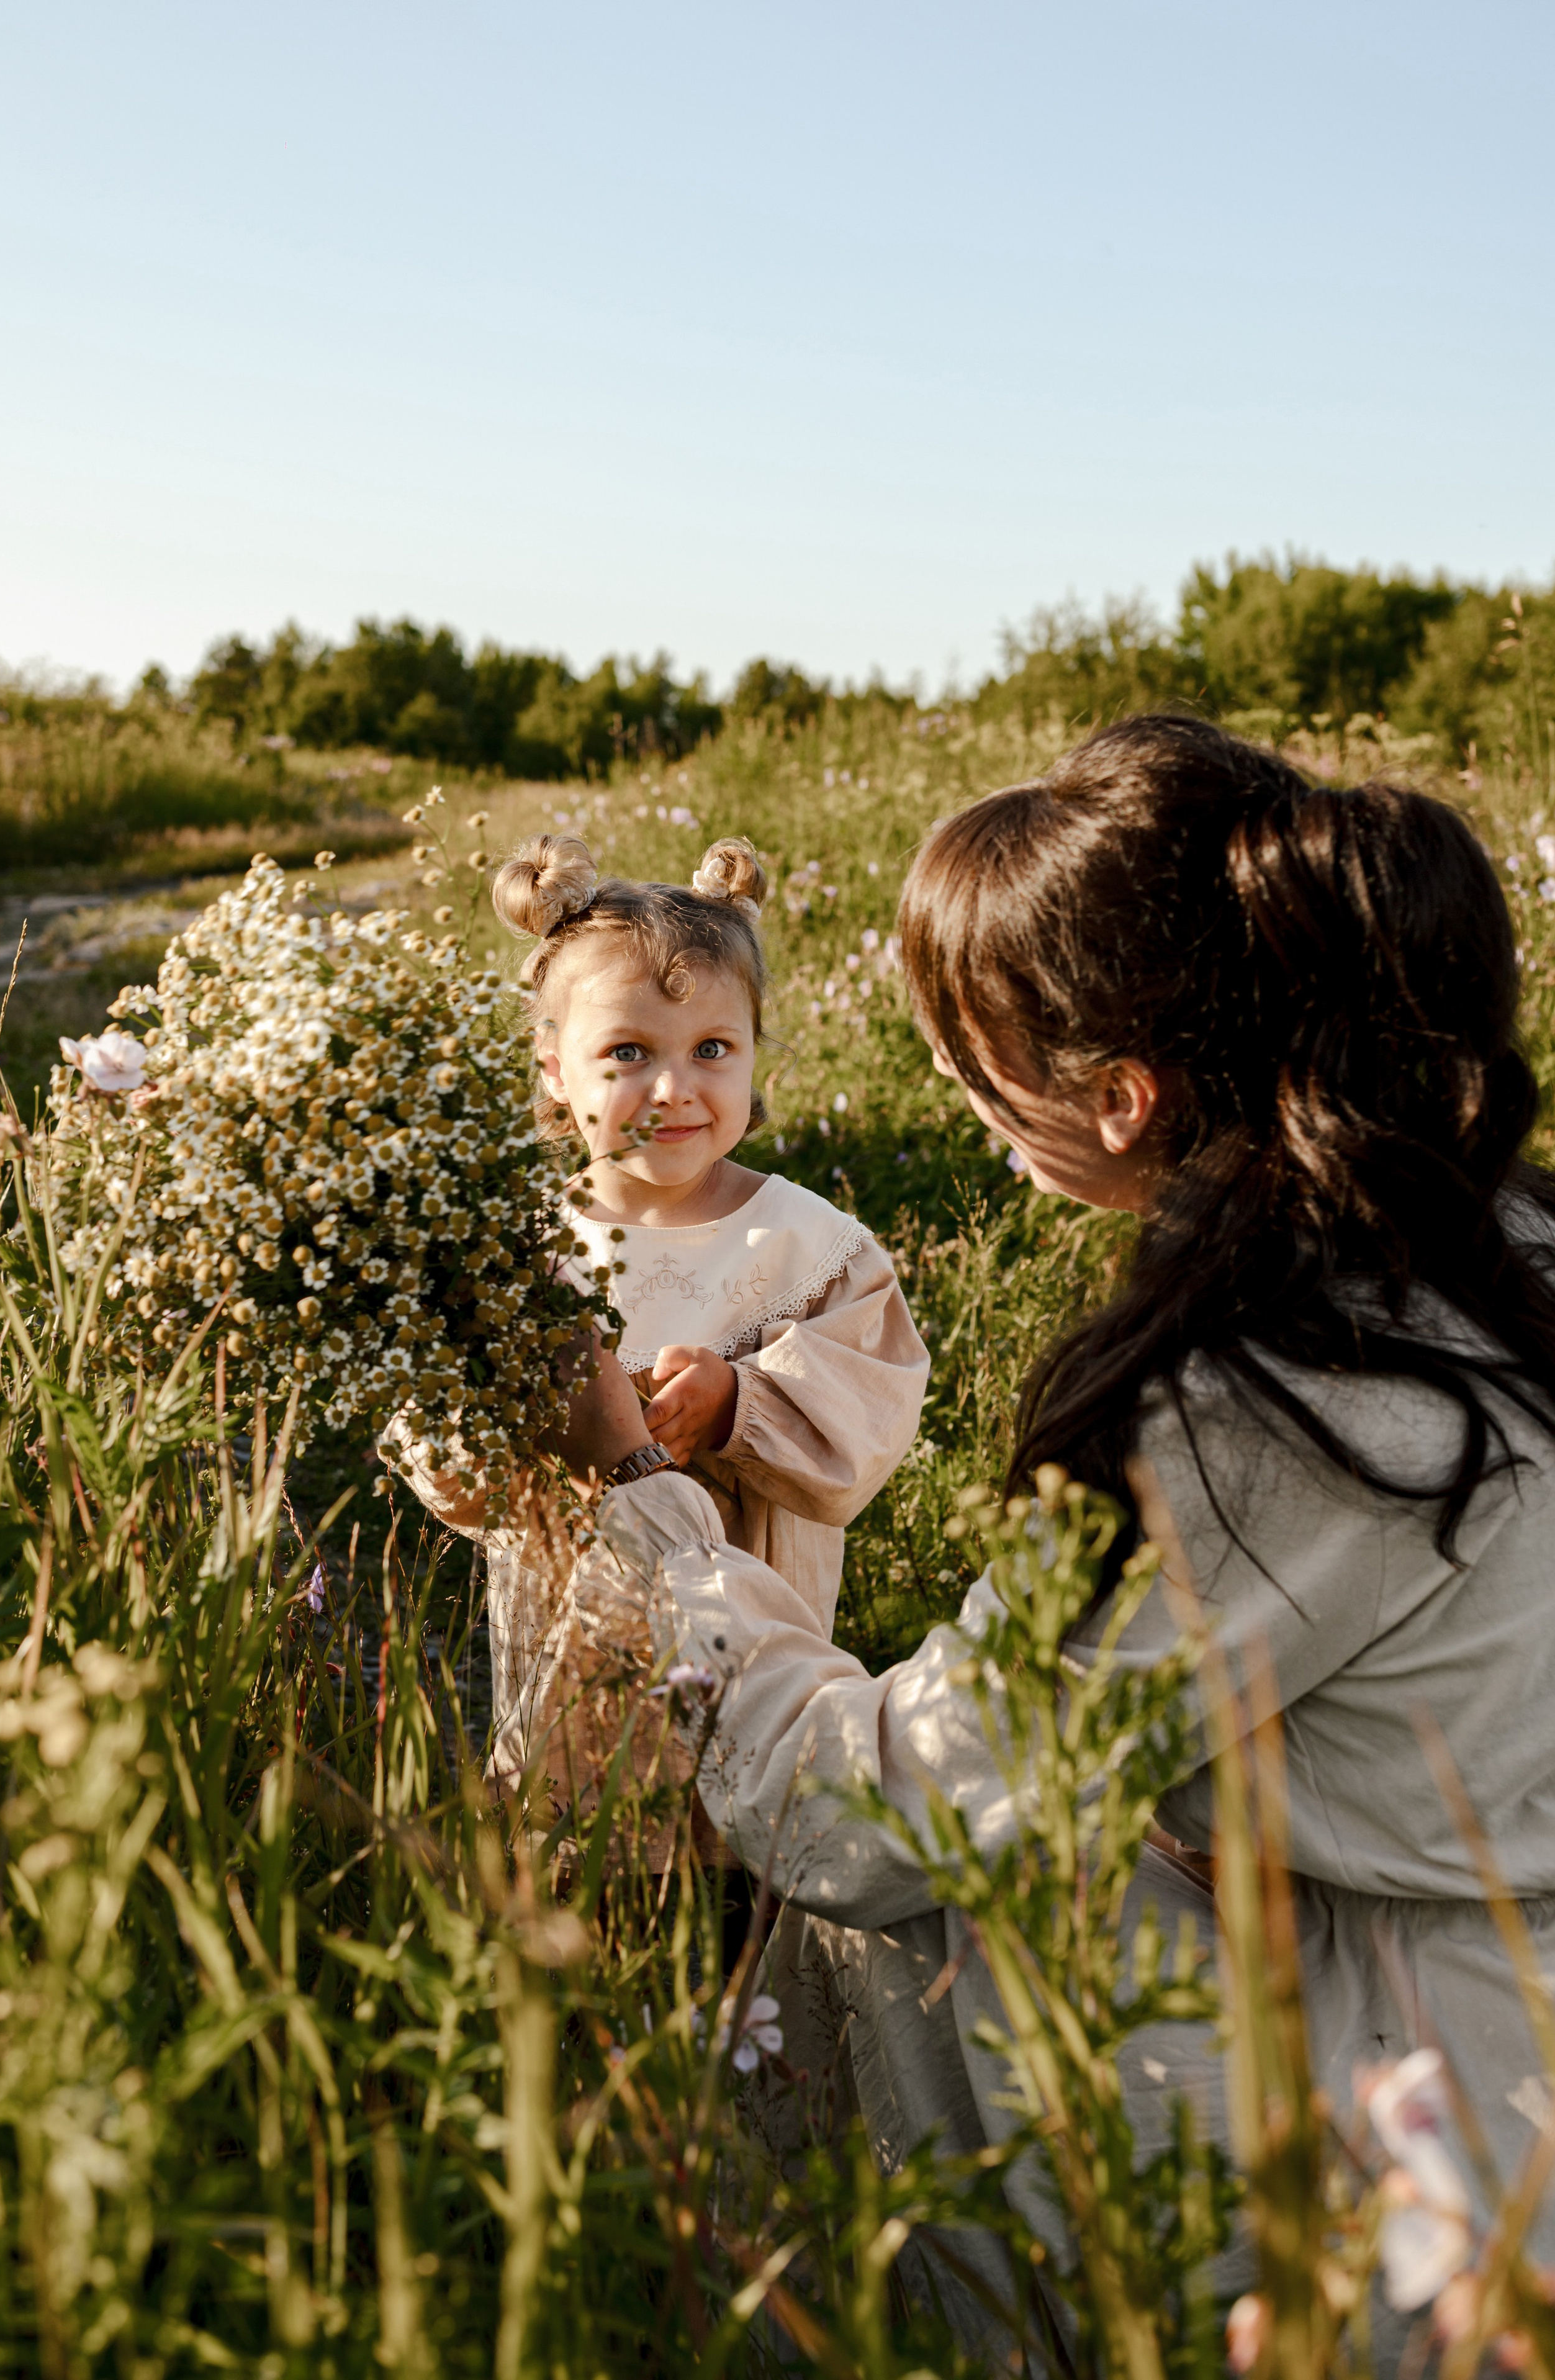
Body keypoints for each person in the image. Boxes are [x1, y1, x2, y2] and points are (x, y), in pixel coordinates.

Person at [554, 716, 1555, 2368]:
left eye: (975, 1069)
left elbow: (877, 1804)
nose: (968, 1112)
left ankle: (827, 2316)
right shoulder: (1493, 1231)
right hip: (1473, 1974)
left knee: (923, 1898)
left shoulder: (1272, 1394)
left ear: (1121, 1096)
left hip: (1437, 2113)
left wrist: (644, 1503)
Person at [390, 829, 929, 1793]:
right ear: (555, 1070)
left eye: (712, 1048)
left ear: (756, 1054)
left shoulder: (806, 1244)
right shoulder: (523, 1251)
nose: (675, 1087)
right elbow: (448, 1457)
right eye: (628, 1052)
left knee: (743, 1799)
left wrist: (740, 1404)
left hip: (755, 1654)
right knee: (584, 1803)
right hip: (571, 1642)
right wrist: (521, 1428)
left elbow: (873, 1410)